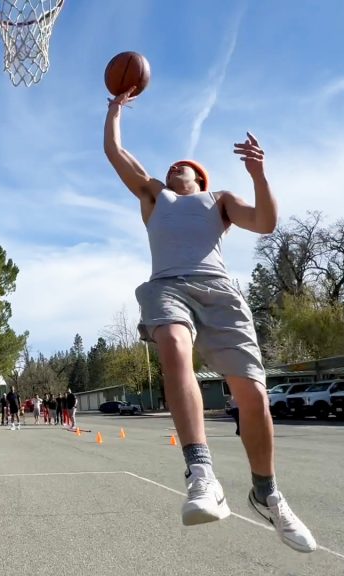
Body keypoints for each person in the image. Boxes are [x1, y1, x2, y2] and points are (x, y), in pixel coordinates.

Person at [103, 88, 316, 553]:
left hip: (219, 292)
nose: (177, 168)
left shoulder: (219, 199)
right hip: (168, 286)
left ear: (199, 178)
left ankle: (267, 493)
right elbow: (115, 153)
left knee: (252, 393)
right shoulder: (154, 196)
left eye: (187, 167)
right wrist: (114, 109)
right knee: (174, 348)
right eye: (173, 167)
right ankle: (201, 472)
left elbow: (264, 222)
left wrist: (259, 174)